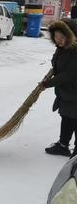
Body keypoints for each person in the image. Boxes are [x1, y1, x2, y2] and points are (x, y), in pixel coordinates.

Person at [42, 19, 77, 158]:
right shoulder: (62, 49)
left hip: (74, 93)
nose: (59, 40)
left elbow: (68, 75)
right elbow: (57, 65)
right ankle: (63, 146)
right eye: (56, 37)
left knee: (75, 120)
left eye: (62, 37)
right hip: (67, 93)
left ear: (70, 36)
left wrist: (47, 83)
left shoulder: (75, 52)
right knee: (67, 118)